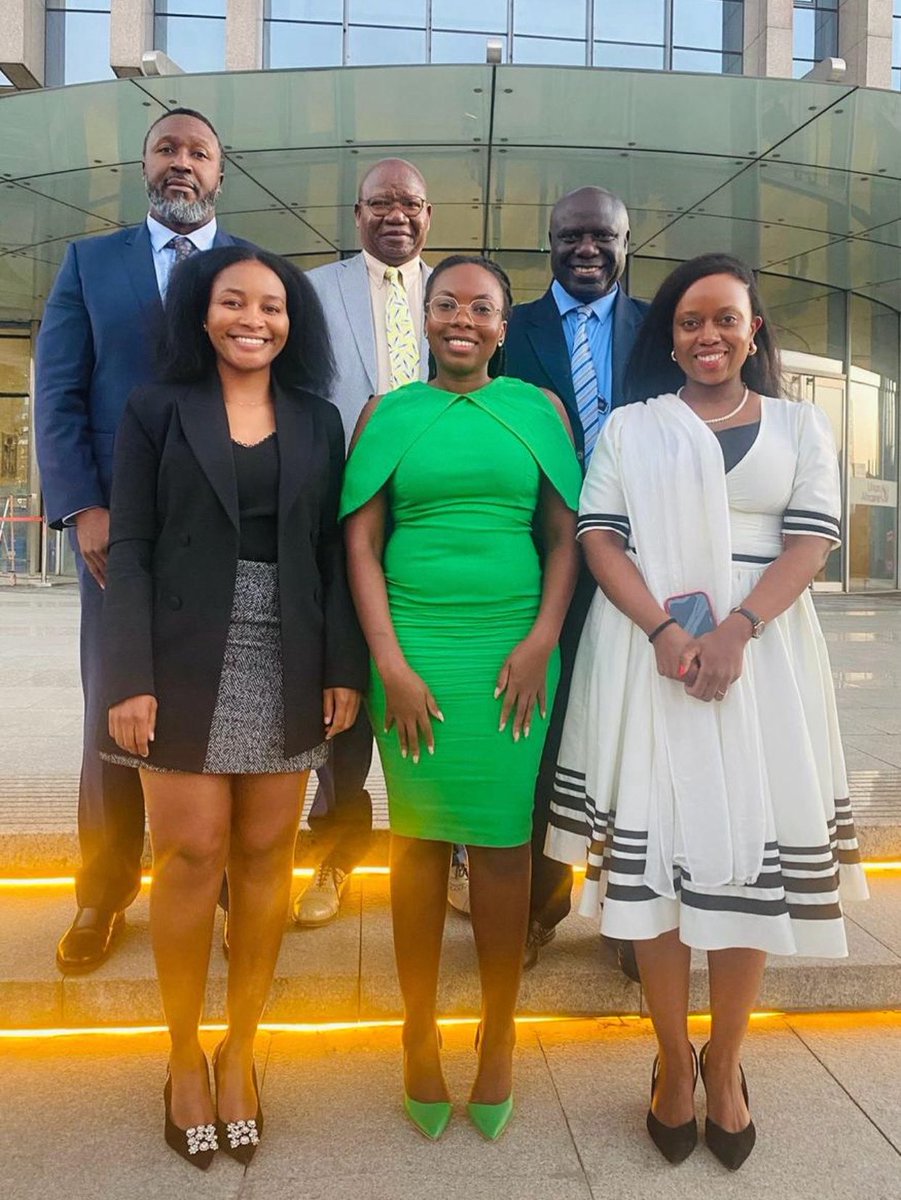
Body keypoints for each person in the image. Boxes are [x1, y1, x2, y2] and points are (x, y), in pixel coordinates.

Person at [546, 253, 868, 1169]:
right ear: (670, 336)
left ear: (753, 328)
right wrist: (658, 629)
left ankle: (722, 1064)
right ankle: (670, 1063)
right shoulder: (632, 428)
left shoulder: (803, 425)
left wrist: (735, 630)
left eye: (726, 318)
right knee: (661, 871)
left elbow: (812, 539)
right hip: (651, 657)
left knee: (744, 863)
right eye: (690, 322)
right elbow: (598, 534)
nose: (708, 335)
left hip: (758, 664)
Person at [99, 246, 367, 1167]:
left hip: (287, 652)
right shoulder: (154, 410)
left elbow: (333, 555)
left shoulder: (318, 419)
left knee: (264, 857)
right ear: (201, 315)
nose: (254, 318)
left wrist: (343, 667)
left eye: (273, 305)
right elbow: (127, 547)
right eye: (233, 302)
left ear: (294, 322)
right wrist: (126, 676)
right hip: (176, 658)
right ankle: (181, 1056)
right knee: (188, 855)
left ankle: (241, 1048)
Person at [342, 255, 580, 1141]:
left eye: (481, 307)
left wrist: (541, 641)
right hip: (412, 651)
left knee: (505, 845)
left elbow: (562, 536)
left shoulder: (538, 410)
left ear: (503, 325)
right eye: (445, 304)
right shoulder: (386, 412)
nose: (461, 320)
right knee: (414, 841)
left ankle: (499, 1029)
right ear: (424, 316)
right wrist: (390, 665)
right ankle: (416, 1028)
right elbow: (361, 543)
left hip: (513, 652)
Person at [35, 108, 253, 974]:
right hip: (114, 535)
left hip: (231, 529)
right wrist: (82, 505)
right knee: (115, 707)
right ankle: (106, 889)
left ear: (220, 173)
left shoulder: (248, 272)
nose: (182, 163)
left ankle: (231, 880)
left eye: (199, 151)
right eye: (168, 149)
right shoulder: (91, 265)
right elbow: (55, 396)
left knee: (231, 701)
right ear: (143, 164)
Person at [498, 186, 648, 972]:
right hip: (537, 561)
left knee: (633, 737)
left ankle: (630, 914)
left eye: (602, 236)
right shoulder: (507, 328)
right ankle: (537, 908)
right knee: (543, 743)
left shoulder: (658, 327)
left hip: (640, 567)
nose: (585, 248)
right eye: (569, 236)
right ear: (548, 241)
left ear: (627, 242)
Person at [296, 159, 433, 927]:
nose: (396, 215)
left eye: (409, 203)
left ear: (428, 214)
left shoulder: (456, 293)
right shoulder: (315, 294)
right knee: (340, 693)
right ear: (356, 214)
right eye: (380, 202)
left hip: (435, 527)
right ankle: (337, 853)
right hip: (341, 517)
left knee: (433, 684)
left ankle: (441, 854)